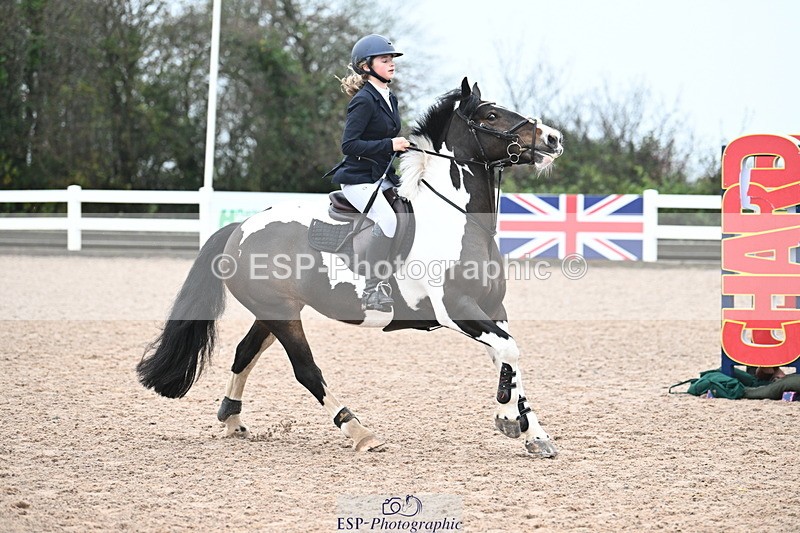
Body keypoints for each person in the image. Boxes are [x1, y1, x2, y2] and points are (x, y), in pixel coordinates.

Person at [331, 34, 410, 312]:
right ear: (366, 66)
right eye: (384, 60)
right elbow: (349, 145)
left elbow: (386, 139)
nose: (391, 64)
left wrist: (405, 148)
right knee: (387, 219)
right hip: (359, 179)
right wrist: (390, 144)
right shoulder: (364, 100)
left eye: (392, 60)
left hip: (382, 177)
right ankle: (372, 289)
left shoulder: (390, 97)